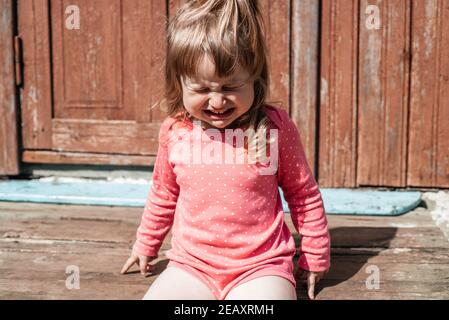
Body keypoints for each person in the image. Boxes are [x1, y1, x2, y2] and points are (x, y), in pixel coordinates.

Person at [121, 0, 330, 300]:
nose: (217, 102)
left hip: (261, 267)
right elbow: (163, 194)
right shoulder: (176, 131)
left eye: (230, 87)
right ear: (179, 84)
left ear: (255, 79)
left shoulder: (275, 128)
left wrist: (315, 251)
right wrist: (145, 244)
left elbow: (303, 193)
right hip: (191, 265)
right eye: (203, 89)